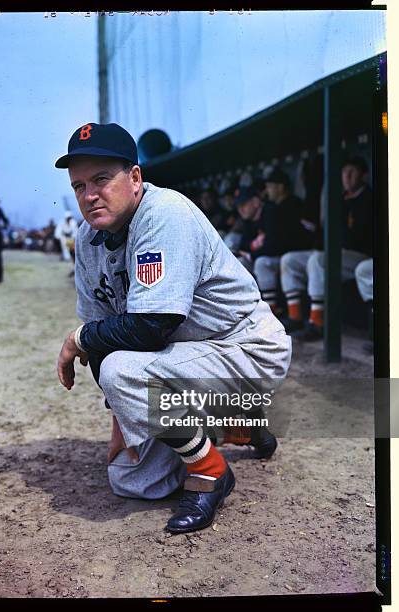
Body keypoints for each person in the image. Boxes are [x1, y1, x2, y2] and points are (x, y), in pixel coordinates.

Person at [54, 122, 292, 534]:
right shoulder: (88, 237)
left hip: (245, 348)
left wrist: (80, 342)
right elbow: (102, 335)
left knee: (121, 372)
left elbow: (149, 328)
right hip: (188, 356)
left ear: (134, 178)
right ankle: (235, 420)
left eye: (101, 179)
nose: (89, 195)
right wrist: (121, 414)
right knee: (134, 482)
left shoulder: (164, 213)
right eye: (78, 186)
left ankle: (211, 469)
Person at [282, 156, 372, 341]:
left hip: (360, 255)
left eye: (352, 172)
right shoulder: (338, 199)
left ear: (363, 174)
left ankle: (317, 322)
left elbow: (359, 237)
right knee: (289, 260)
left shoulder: (369, 198)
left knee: (319, 259)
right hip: (338, 253)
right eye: (344, 172)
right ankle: (295, 316)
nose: (346, 177)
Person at [252, 167, 315, 314]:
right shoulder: (272, 208)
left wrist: (256, 252)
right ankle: (270, 311)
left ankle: (295, 315)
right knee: (262, 263)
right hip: (281, 254)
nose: (267, 191)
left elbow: (288, 239)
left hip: (299, 254)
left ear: (280, 187)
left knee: (286, 260)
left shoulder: (296, 205)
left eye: (270, 186)